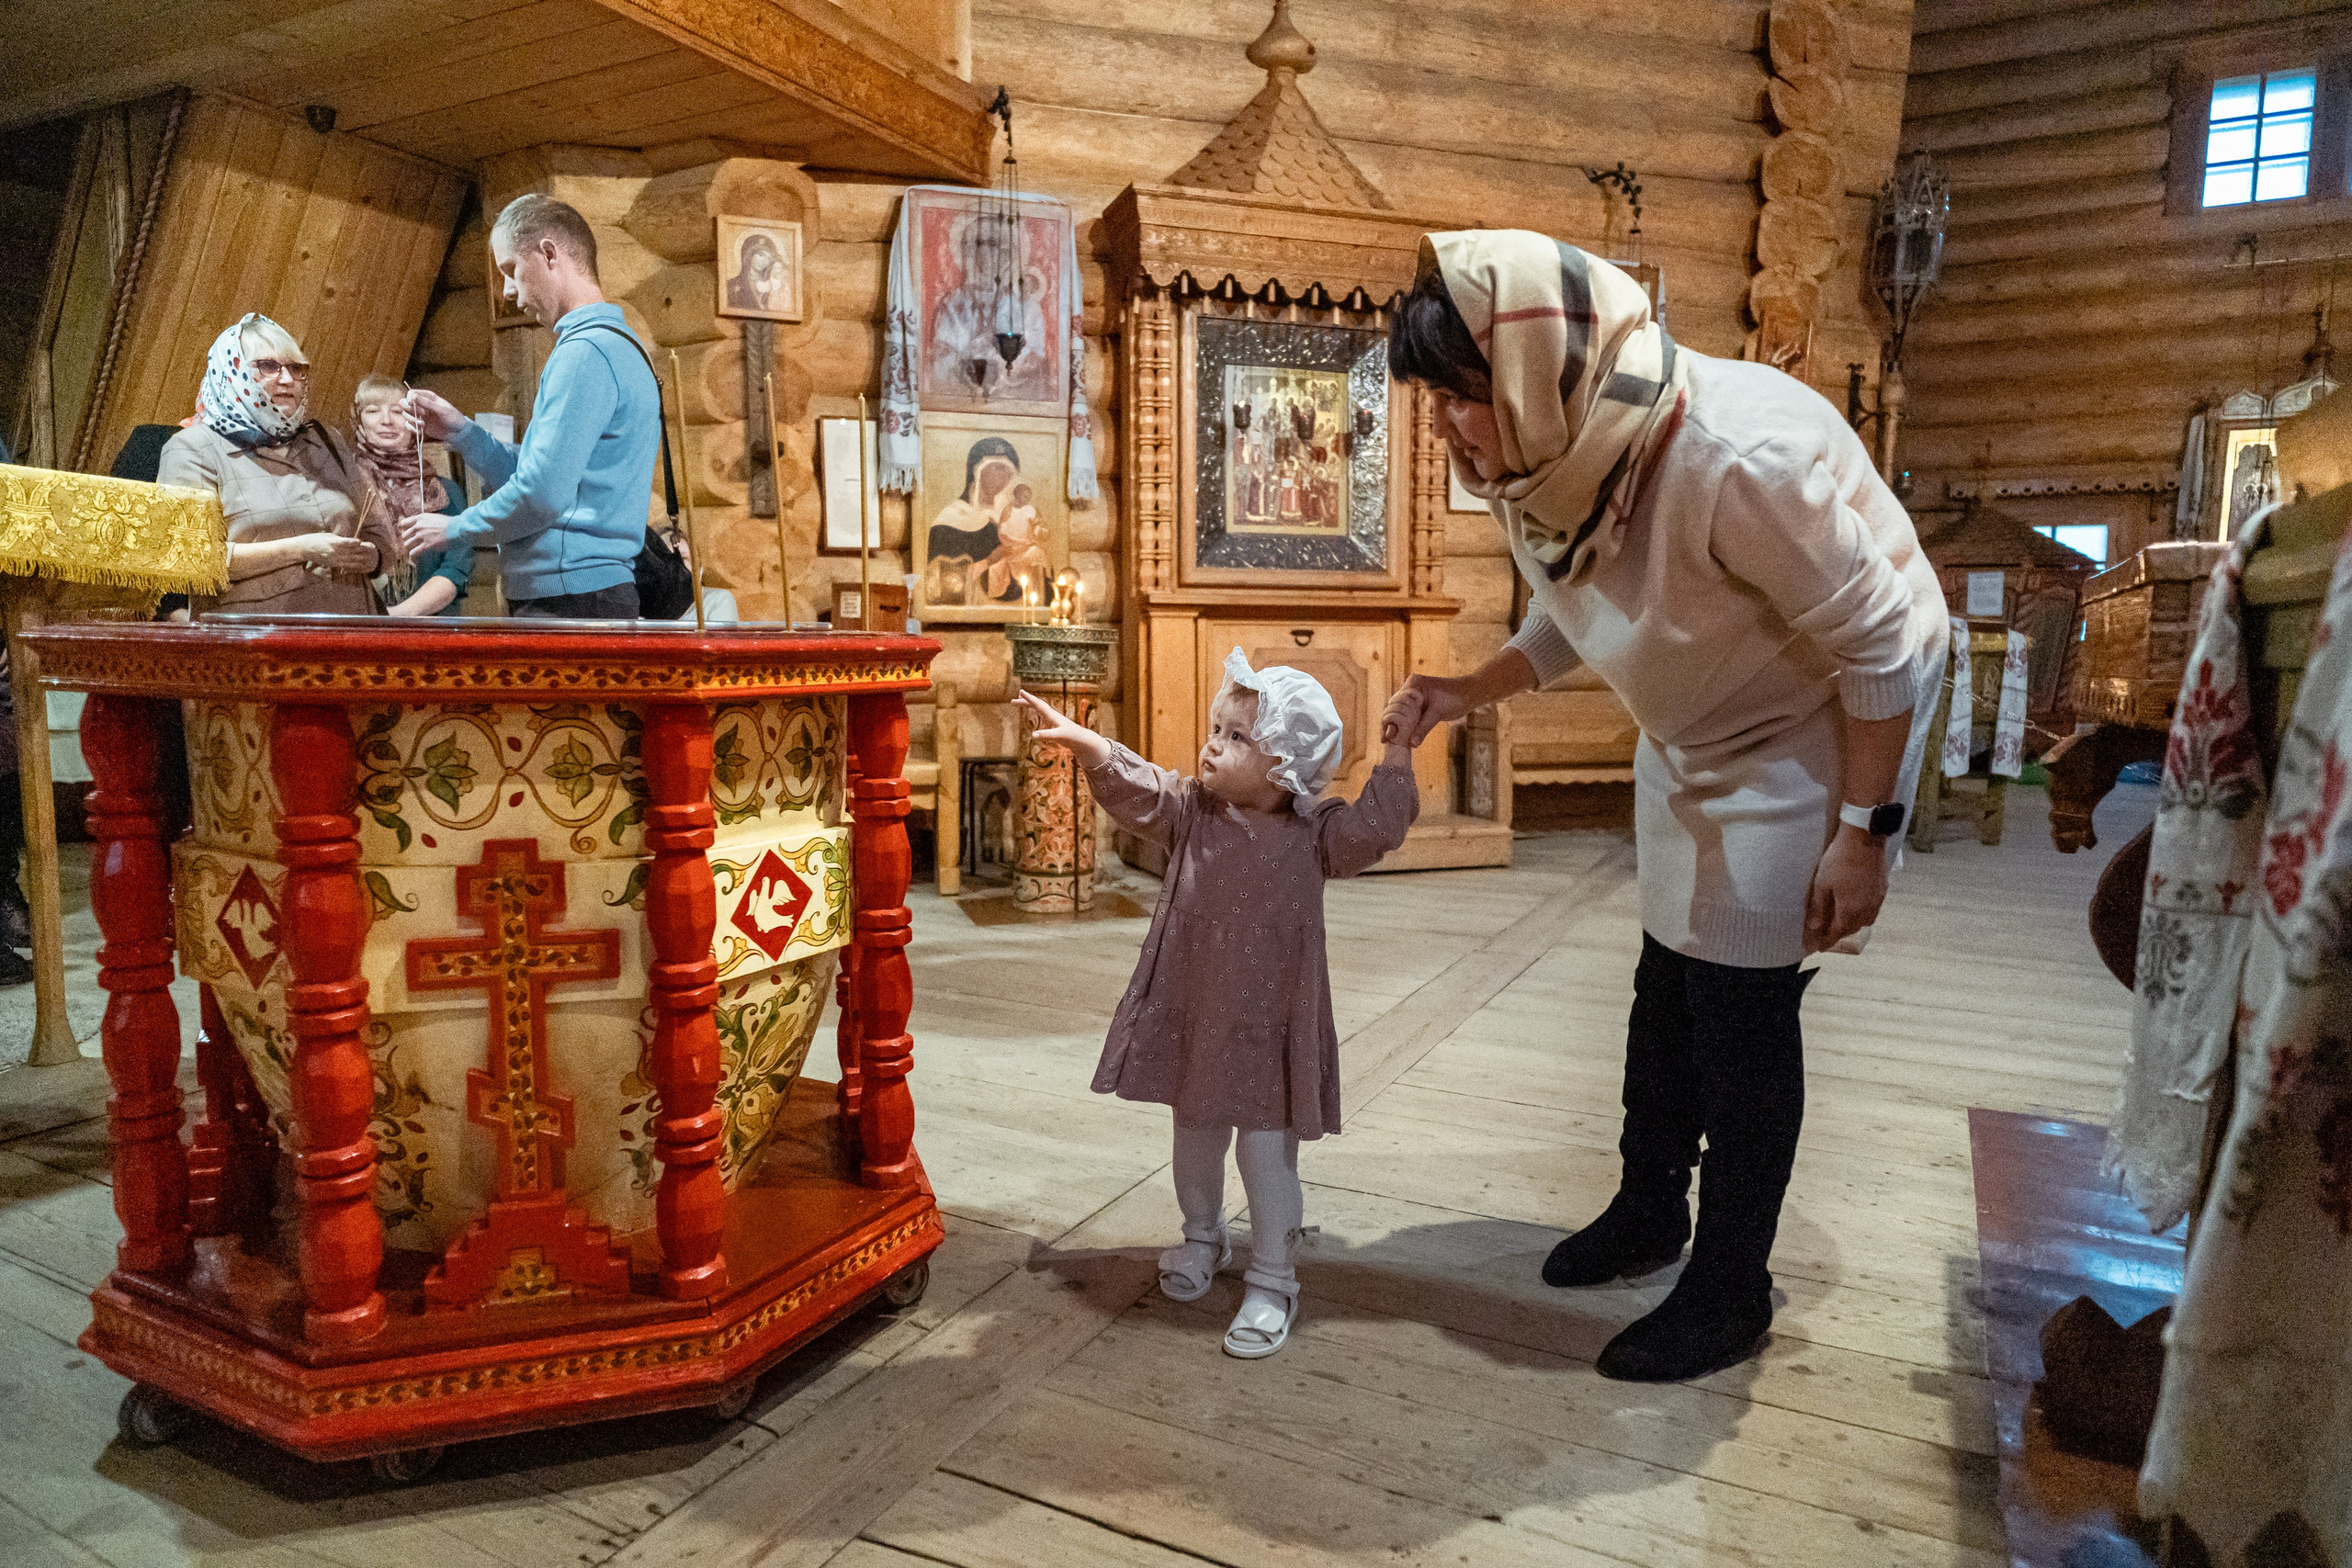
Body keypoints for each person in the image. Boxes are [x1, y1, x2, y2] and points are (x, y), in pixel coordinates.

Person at [1391, 231, 1948, 1383]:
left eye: (1458, 398)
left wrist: (1865, 834)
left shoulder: (1734, 456)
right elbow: (1578, 606)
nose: (1446, 425)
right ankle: (1651, 1208)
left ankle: (1731, 1284)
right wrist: (1464, 690)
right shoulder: (1553, 450)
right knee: (1666, 975)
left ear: (1531, 369)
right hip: (1700, 724)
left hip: (1816, 717)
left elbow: (1882, 645)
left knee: (1740, 1011)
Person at [1015, 651, 1425, 1359]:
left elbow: (1376, 828)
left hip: (1273, 1029)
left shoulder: (1315, 834)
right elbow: (1138, 786)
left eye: (1238, 737)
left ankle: (1273, 1275)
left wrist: (1396, 749)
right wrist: (1091, 746)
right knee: (1194, 1141)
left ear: (1287, 767)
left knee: (1267, 1159)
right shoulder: (1191, 812)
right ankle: (1202, 1236)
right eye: (1215, 727)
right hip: (1197, 1015)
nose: (1213, 743)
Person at [399, 195, 657, 619]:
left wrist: (455, 527)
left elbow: (541, 496)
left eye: (510, 270)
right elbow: (546, 475)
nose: (508, 290)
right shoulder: (618, 345)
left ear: (549, 254)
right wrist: (464, 434)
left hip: (569, 597)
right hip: (583, 593)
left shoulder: (586, 352)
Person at [156, 314, 397, 615]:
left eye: (296, 369)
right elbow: (190, 561)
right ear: (231, 371)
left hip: (352, 636)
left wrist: (371, 558)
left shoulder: (325, 440)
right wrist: (301, 549)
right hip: (255, 645)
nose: (287, 379)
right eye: (268, 366)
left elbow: (380, 537)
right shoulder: (191, 448)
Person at [349, 375, 472, 617]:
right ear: (358, 420)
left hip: (430, 632)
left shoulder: (445, 492)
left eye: (397, 412)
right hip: (358, 628)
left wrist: (394, 618)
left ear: (415, 420)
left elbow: (455, 569)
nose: (386, 421)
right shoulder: (343, 487)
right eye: (373, 411)